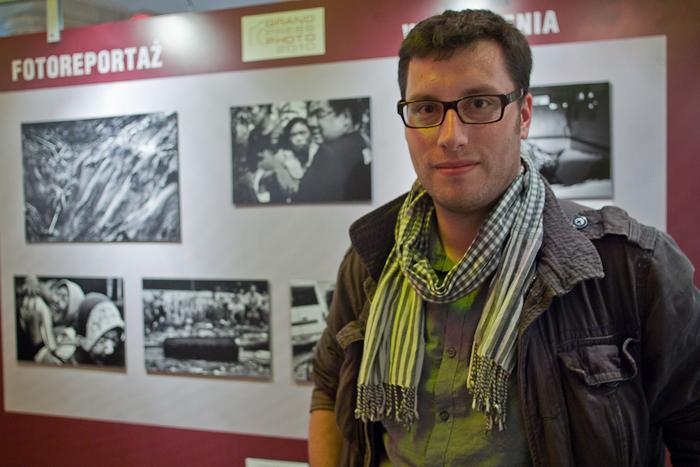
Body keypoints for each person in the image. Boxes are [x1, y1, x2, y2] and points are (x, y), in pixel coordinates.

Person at [308, 9, 700, 467]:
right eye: (427, 109)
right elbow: (328, 386)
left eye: (479, 103)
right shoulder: (373, 260)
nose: (450, 136)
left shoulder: (630, 267)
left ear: (524, 115)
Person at [294, 99, 371, 203]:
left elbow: (304, 200)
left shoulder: (327, 154)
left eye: (320, 114)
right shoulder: (360, 142)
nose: (311, 123)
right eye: (311, 116)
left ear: (346, 116)